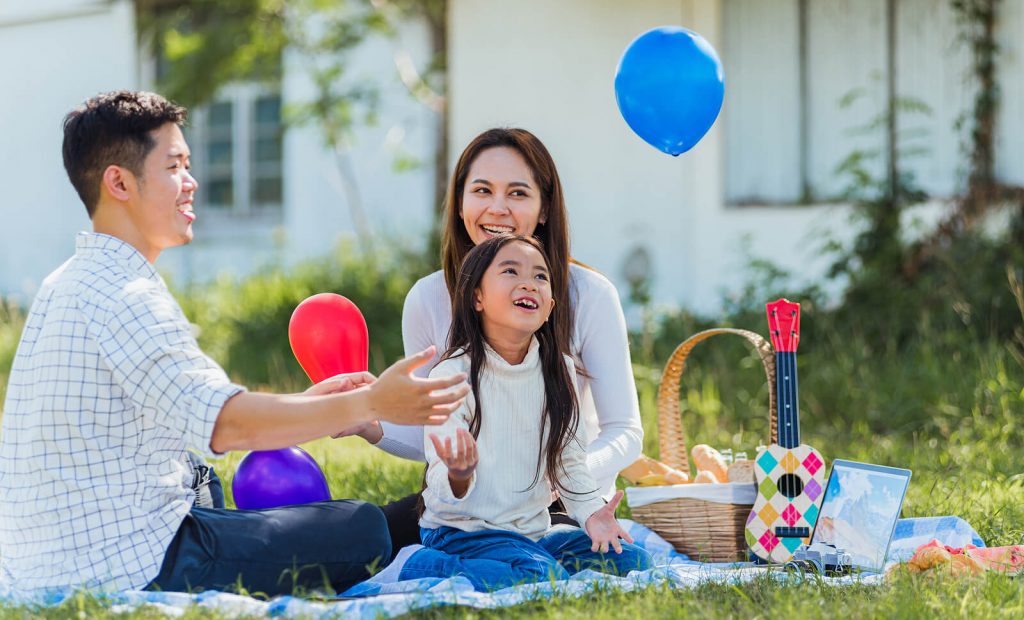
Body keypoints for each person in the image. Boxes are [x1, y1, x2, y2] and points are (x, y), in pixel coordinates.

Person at [0, 91, 469, 596]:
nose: (192, 182)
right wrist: (373, 401)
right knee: (361, 528)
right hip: (138, 560)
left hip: (57, 554)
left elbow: (193, 416)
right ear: (119, 182)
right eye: (175, 166)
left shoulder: (70, 281)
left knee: (242, 496)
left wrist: (304, 406)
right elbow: (227, 423)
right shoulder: (126, 294)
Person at [357, 128, 644, 557]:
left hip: (561, 506)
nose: (497, 208)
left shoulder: (589, 295)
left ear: (544, 209)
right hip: (467, 506)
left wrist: (560, 475)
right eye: (482, 190)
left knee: (573, 561)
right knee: (362, 537)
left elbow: (625, 432)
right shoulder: (429, 298)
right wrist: (371, 424)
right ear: (459, 203)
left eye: (517, 193)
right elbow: (438, 435)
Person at [388, 235, 650, 590]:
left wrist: (591, 514)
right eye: (510, 271)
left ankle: (529, 560)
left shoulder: (559, 370)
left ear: (550, 305)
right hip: (460, 531)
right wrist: (459, 475)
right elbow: (441, 479)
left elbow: (569, 463)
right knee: (538, 575)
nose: (529, 283)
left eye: (541, 277)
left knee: (633, 561)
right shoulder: (452, 374)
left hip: (532, 533)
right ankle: (419, 564)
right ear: (476, 296)